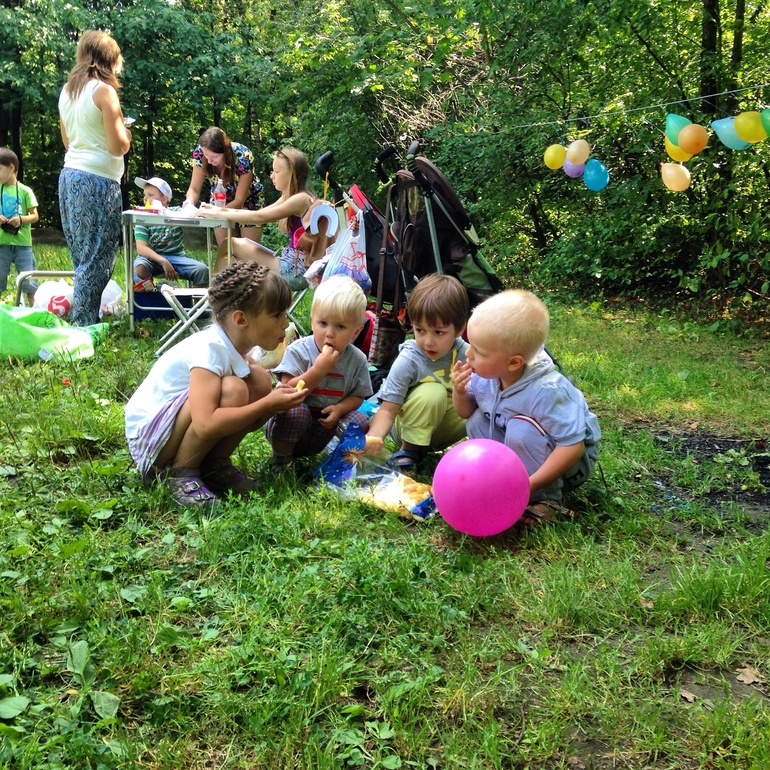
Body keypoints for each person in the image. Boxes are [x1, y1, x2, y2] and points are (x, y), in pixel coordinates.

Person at [125, 261, 308, 507]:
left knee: (260, 380)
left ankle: (214, 466)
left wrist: (273, 404)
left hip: (171, 430)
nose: (285, 323)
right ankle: (180, 474)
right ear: (241, 319)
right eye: (277, 315)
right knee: (234, 389)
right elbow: (206, 423)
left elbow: (249, 421)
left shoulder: (239, 351)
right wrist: (267, 405)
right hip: (150, 442)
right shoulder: (210, 350)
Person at [452, 289, 601, 523]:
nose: (468, 354)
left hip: (569, 465)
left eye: (479, 351)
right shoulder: (485, 376)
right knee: (476, 421)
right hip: (523, 447)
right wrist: (459, 392)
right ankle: (497, 479)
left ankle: (547, 499)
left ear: (514, 362)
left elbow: (573, 447)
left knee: (521, 429)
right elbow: (465, 412)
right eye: (470, 344)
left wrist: (530, 485)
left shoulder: (547, 391)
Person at [58, 29, 132, 327]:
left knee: (82, 258)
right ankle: (82, 328)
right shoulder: (104, 92)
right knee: (97, 259)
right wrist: (126, 132)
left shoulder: (67, 91)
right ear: (109, 61)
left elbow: (68, 142)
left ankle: (84, 319)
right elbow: (118, 146)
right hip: (97, 182)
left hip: (70, 177)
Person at [364, 274, 470, 474]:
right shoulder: (409, 359)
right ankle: (408, 451)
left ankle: (476, 456)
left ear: (459, 329)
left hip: (441, 426)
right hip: (407, 426)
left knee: (482, 404)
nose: (428, 342)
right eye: (420, 330)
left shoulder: (466, 355)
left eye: (438, 332)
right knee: (433, 393)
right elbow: (387, 410)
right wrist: (374, 436)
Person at [265, 275, 372, 467]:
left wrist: (339, 409)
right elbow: (287, 390)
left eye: (340, 326)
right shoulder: (299, 351)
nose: (329, 333)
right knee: (296, 411)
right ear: (312, 321)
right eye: (323, 324)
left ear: (356, 331)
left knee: (360, 420)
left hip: (327, 426)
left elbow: (358, 396)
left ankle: (333, 461)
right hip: (291, 424)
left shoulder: (357, 359)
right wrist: (318, 370)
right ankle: (281, 461)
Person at [197, 147, 321, 290]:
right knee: (232, 258)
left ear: (292, 174)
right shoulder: (291, 197)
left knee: (231, 244)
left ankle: (214, 293)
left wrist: (217, 212)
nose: (272, 176)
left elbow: (259, 217)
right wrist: (217, 210)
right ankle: (225, 295)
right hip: (290, 264)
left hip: (295, 271)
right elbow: (259, 213)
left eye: (276, 171)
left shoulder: (301, 199)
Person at [185, 127, 264, 245]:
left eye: (214, 157)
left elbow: (239, 201)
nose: (209, 161)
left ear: (225, 152)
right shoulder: (200, 153)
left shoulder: (243, 155)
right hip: (219, 201)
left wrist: (215, 212)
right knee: (226, 249)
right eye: (206, 155)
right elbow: (194, 189)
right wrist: (190, 203)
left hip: (249, 201)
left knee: (249, 249)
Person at [132, 176, 209, 288]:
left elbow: (192, 214)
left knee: (202, 270)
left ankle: (195, 300)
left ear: (164, 199)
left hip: (177, 257)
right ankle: (151, 295)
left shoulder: (176, 212)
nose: (145, 198)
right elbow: (141, 248)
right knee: (139, 268)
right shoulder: (142, 217)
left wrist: (193, 208)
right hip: (151, 259)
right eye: (145, 195)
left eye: (150, 195)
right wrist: (163, 261)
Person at [0, 147, 40, 305]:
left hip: (23, 245)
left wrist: (21, 219)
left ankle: (34, 310)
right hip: (2, 244)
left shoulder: (25, 191)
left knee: (29, 281)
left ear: (11, 167)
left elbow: (35, 216)